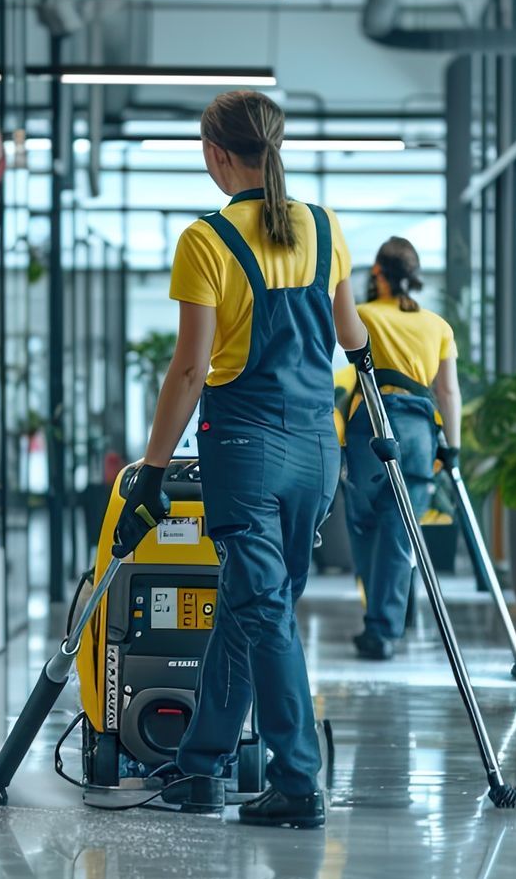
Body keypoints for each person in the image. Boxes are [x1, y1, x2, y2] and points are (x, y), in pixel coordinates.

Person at [111, 89, 370, 829]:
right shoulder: (324, 227)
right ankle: (202, 766)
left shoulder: (206, 240)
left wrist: (153, 473)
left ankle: (297, 780)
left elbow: (189, 372)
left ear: (217, 154)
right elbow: (349, 336)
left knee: (266, 614)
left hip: (246, 449)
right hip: (316, 449)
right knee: (253, 607)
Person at [342, 238, 462, 660]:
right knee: (399, 534)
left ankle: (379, 620)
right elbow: (446, 391)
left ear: (377, 273)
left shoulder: (362, 316)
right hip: (416, 432)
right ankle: (386, 624)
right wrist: (454, 447)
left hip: (370, 428)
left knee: (363, 524)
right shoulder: (437, 326)